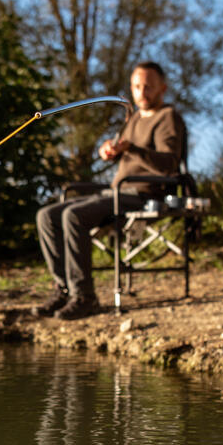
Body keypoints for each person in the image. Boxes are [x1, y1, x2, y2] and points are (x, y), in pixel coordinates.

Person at [33, 61, 186, 320]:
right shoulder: (134, 118)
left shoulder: (167, 117)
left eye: (148, 86)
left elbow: (169, 164)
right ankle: (64, 288)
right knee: (46, 216)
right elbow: (124, 151)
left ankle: (84, 297)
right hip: (116, 193)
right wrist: (111, 152)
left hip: (144, 197)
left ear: (163, 88)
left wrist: (131, 149)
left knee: (74, 215)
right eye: (137, 86)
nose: (142, 92)